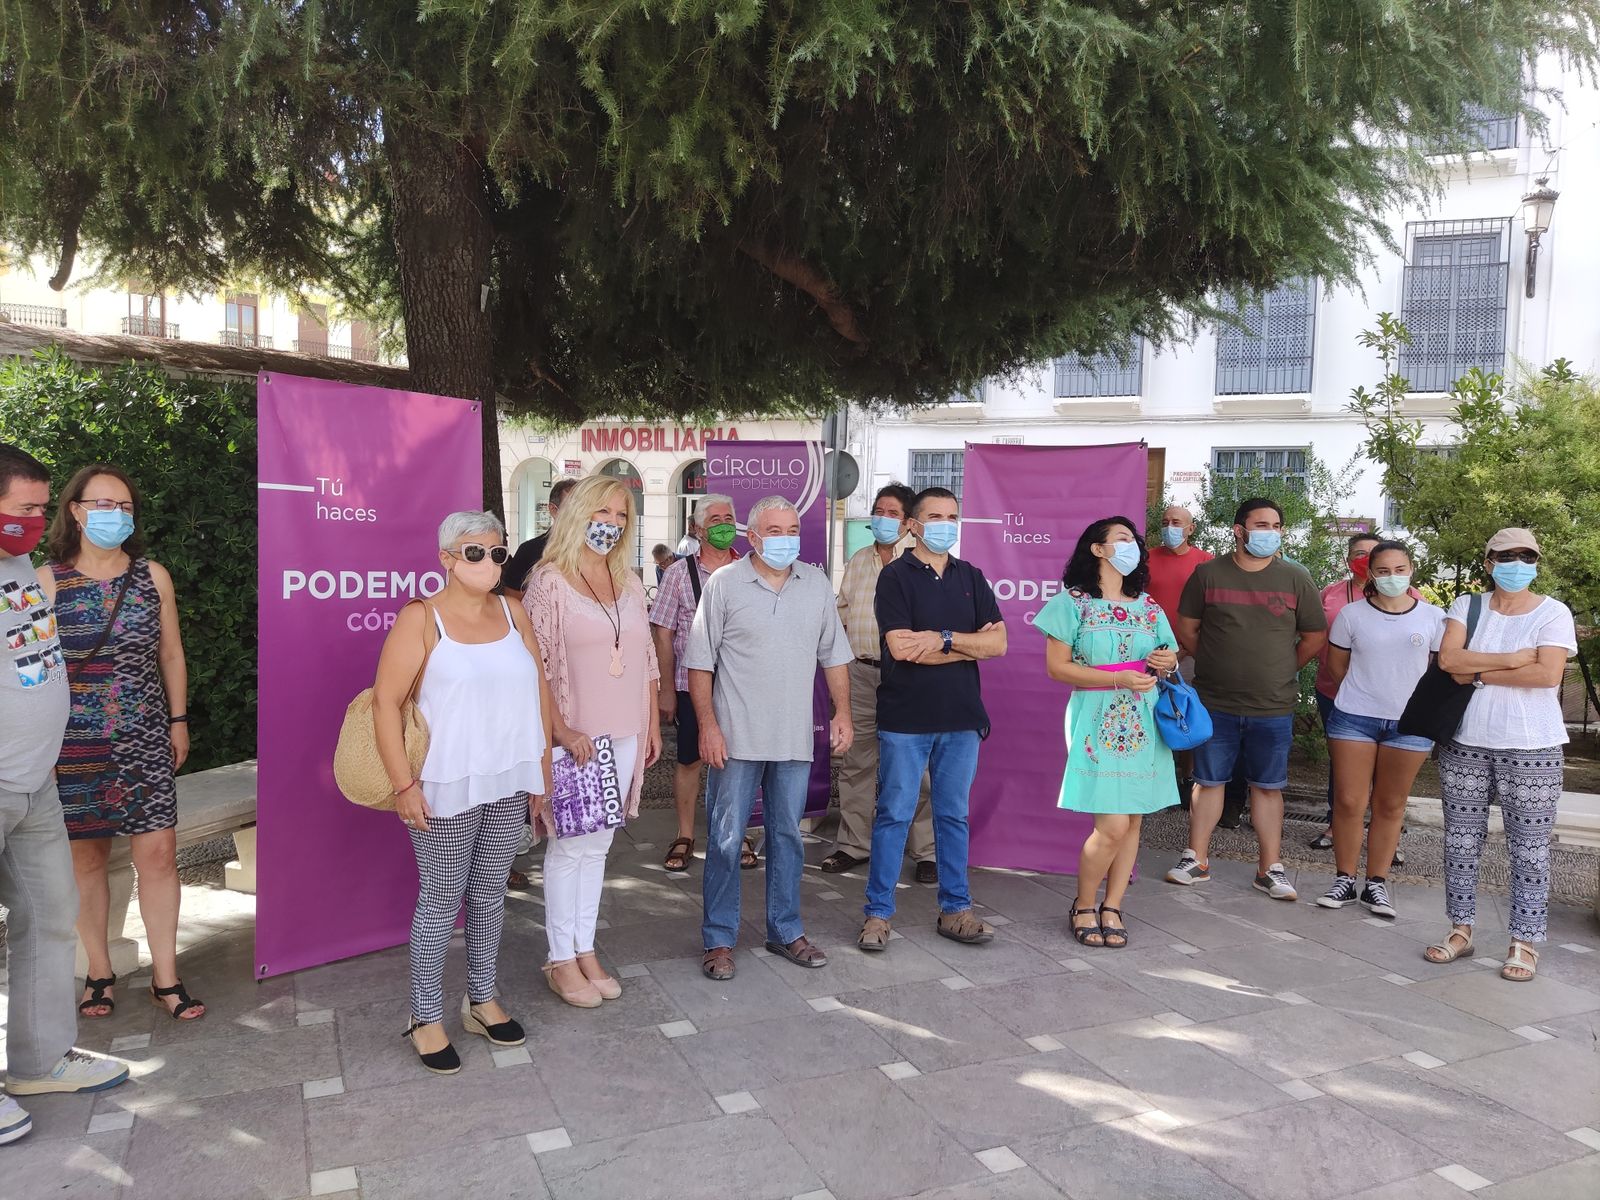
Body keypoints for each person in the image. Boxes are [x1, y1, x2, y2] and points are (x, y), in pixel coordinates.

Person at [376, 511, 553, 1074]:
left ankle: (481, 1000)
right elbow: (385, 703)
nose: (489, 562)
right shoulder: (421, 619)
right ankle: (425, 1017)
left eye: (498, 553)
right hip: (445, 783)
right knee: (440, 900)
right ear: (447, 559)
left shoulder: (515, 611)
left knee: (490, 894)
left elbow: (540, 692)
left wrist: (541, 774)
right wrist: (404, 783)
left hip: (508, 778)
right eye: (474, 553)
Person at [1, 445, 128, 1147]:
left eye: (41, 507)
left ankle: (39, 1060)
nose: (36, 521)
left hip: (35, 782)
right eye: (22, 508)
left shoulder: (18, 564)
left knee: (51, 919)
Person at [47, 466, 203, 1023]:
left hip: (143, 737)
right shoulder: (46, 581)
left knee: (159, 855)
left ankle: (167, 977)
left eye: (126, 505)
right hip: (70, 745)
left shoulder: (152, 576)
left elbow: (172, 655)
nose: (116, 512)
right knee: (85, 860)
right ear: (76, 510)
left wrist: (177, 721)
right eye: (103, 502)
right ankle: (99, 971)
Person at [686, 495, 853, 981]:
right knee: (724, 839)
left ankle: (785, 929)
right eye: (775, 530)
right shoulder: (724, 584)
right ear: (753, 537)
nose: (786, 539)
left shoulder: (816, 583)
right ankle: (718, 938)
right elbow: (699, 661)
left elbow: (834, 656)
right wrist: (709, 726)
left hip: (794, 739)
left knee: (788, 838)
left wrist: (843, 712)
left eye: (793, 528)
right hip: (735, 739)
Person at [525, 476, 661, 1007]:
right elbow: (534, 669)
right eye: (602, 511)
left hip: (626, 730)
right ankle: (560, 958)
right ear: (578, 512)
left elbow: (646, 655)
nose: (611, 522)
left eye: (622, 515)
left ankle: (584, 949)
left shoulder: (627, 581)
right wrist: (560, 730)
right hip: (577, 739)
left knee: (599, 846)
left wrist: (649, 723)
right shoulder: (549, 581)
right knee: (570, 847)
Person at [1425, 528, 1577, 983]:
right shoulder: (1466, 607)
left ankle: (1524, 942)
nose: (1516, 564)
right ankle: (1460, 931)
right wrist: (1513, 659)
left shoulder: (1554, 613)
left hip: (1533, 747)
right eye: (1505, 556)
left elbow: (1547, 675)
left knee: (1530, 849)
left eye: (1526, 556)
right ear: (1488, 562)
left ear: (1536, 562)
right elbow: (1449, 663)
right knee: (1460, 842)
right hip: (1466, 740)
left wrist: (1477, 667)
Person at [856, 487, 1005, 951]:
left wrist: (939, 639)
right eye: (936, 517)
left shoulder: (972, 576)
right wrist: (964, 647)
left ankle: (956, 909)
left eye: (953, 516)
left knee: (952, 816)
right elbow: (901, 648)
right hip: (906, 718)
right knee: (894, 814)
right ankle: (878, 915)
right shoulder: (895, 577)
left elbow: (998, 643)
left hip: (962, 718)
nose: (946, 524)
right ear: (915, 525)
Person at [1167, 497, 1327, 899]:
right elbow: (1187, 628)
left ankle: (1269, 869)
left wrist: (1282, 668)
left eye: (1276, 526)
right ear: (1239, 530)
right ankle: (1196, 860)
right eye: (1261, 525)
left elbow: (1314, 637)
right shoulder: (1208, 575)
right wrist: (1213, 658)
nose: (1270, 533)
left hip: (1272, 705)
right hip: (1215, 701)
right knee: (1208, 780)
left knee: (1268, 786)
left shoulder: (1296, 578)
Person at [1035, 517, 1179, 949]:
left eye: (1134, 540)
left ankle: (1113, 905)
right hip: (1096, 717)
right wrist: (1116, 680)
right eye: (1122, 539)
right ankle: (1083, 904)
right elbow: (1057, 668)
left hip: (1144, 718)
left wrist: (1164, 661)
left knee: (1133, 819)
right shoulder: (1071, 604)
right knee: (1113, 824)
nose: (1132, 545)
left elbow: (1170, 653)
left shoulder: (1149, 605)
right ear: (1097, 550)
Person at [1315, 541, 1443, 919]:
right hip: (1354, 718)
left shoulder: (1434, 617)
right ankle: (1344, 879)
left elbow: (1438, 670)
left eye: (1399, 569)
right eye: (1383, 571)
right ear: (1370, 573)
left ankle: (1376, 884)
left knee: (1390, 804)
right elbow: (1337, 667)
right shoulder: (1351, 615)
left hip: (1410, 724)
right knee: (1350, 801)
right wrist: (1364, 694)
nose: (1392, 577)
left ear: (1412, 569)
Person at [823, 482, 937, 882]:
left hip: (911, 675)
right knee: (857, 762)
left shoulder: (926, 562)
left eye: (891, 513)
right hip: (861, 671)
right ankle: (854, 844)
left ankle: (926, 850)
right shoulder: (857, 561)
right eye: (878, 511)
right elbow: (840, 615)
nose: (882, 519)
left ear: (908, 523)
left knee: (917, 766)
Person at [648, 493, 756, 873]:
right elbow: (662, 633)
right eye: (714, 519)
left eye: (729, 517)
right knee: (691, 758)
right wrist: (664, 690)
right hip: (689, 684)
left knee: (736, 762)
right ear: (696, 528)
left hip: (742, 687)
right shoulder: (679, 573)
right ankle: (684, 834)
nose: (724, 524)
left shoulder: (750, 569)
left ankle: (733, 833)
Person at [1307, 532, 1381, 850]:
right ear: (1349, 558)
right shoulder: (1331, 593)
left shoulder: (1409, 595)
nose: (1365, 558)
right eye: (1359, 552)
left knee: (1384, 767)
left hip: (1386, 697)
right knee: (1343, 763)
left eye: (1373, 553)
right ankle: (1336, 825)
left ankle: (1383, 831)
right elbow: (1313, 634)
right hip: (1334, 690)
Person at [1144, 505, 1212, 809]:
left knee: (1185, 711)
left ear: (1191, 528)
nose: (1170, 527)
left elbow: (1208, 612)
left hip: (1187, 651)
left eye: (1177, 522)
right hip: (1147, 651)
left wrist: (1183, 648)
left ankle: (1187, 778)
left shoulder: (1205, 563)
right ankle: (1157, 776)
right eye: (1165, 521)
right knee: (1150, 714)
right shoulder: (1146, 559)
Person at [501, 476, 576, 593]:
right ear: (553, 509)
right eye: (574, 508)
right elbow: (513, 599)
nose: (581, 515)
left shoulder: (595, 552)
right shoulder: (529, 550)